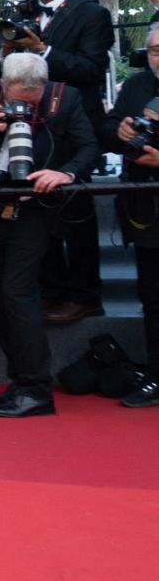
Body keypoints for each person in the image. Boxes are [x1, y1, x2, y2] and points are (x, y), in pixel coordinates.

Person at [0, 52, 97, 416]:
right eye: (17, 98)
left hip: (34, 209)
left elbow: (89, 146)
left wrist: (65, 173)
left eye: (33, 99)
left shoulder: (66, 98)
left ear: (44, 86)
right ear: (2, 85)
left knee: (17, 292)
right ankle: (20, 382)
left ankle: (37, 389)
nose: (25, 104)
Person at [0, 0, 114, 323]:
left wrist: (42, 50)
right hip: (28, 123)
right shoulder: (25, 13)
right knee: (32, 208)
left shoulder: (92, 14)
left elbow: (91, 70)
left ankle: (83, 295)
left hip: (75, 125)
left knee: (76, 213)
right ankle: (50, 289)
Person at [109, 23, 159, 407]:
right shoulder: (137, 86)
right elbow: (107, 128)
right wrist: (122, 131)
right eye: (155, 50)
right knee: (152, 294)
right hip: (145, 208)